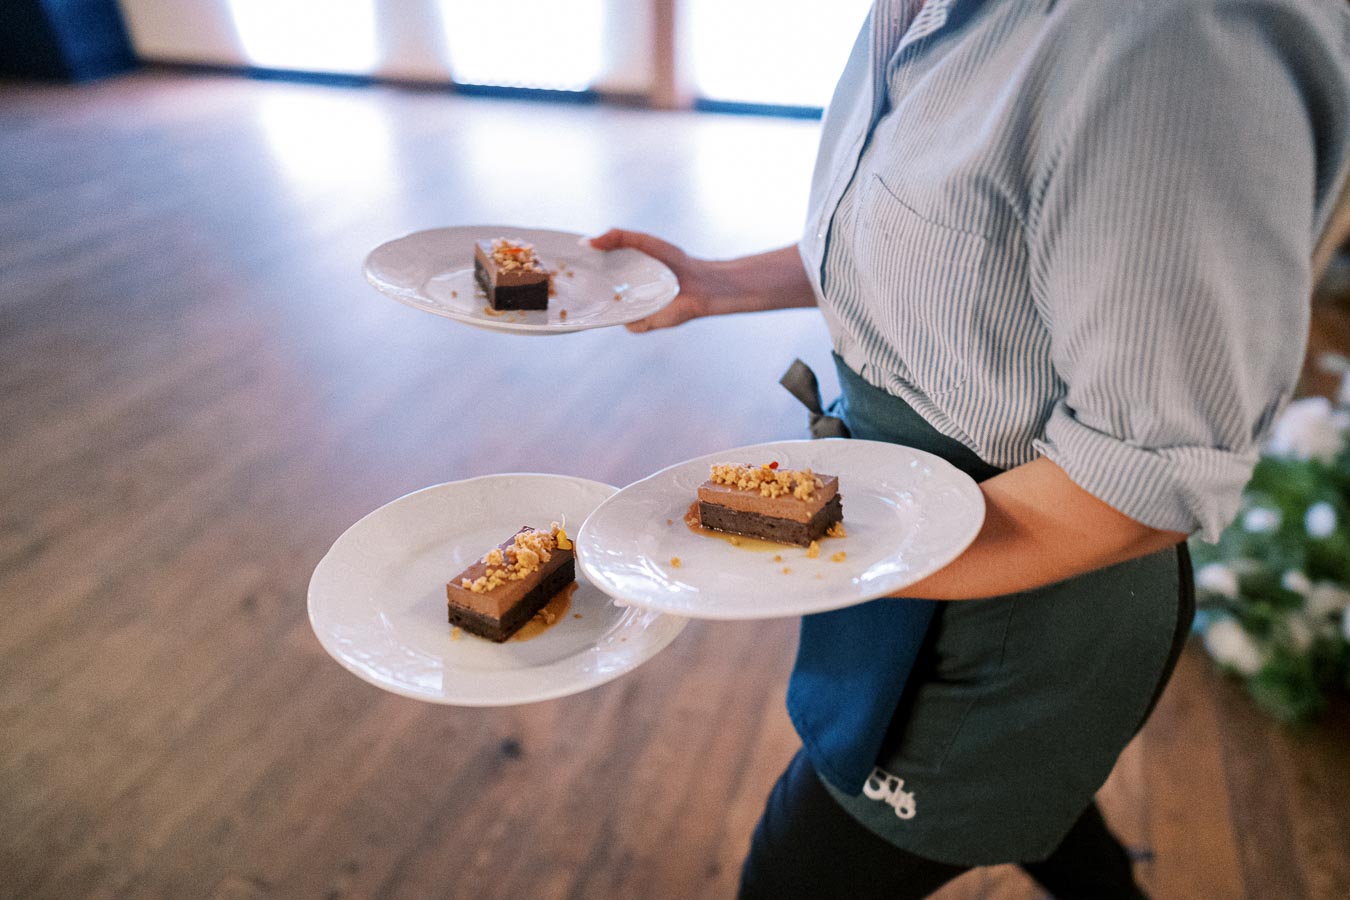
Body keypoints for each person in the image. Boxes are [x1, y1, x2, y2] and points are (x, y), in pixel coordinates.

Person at [589, 0, 1350, 896]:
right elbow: (951, 238)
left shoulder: (1173, 44)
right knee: (1034, 791)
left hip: (1035, 582)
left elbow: (1146, 482)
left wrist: (796, 557)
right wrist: (719, 285)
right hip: (898, 533)